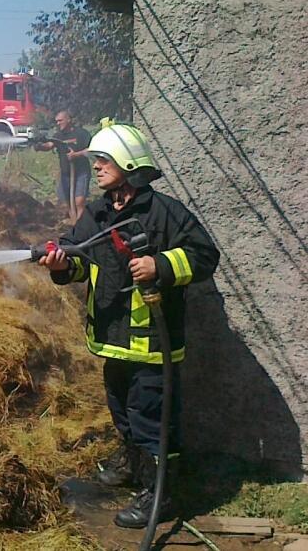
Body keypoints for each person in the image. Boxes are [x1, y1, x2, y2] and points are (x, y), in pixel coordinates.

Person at [37, 123, 220, 528]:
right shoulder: (99, 213)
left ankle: (162, 492)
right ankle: (131, 464)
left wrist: (163, 265)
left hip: (153, 344)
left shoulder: (165, 213)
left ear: (129, 164)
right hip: (113, 339)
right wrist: (63, 265)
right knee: (123, 412)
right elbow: (81, 257)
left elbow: (206, 256)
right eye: (95, 161)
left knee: (151, 419)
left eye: (102, 160)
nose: (97, 167)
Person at [36, 111, 91, 221]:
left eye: (60, 120)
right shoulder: (58, 136)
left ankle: (80, 227)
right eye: (56, 121)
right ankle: (74, 224)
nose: (57, 123)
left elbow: (91, 149)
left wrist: (76, 155)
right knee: (67, 202)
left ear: (68, 120)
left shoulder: (81, 133)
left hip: (81, 173)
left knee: (79, 202)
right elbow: (50, 145)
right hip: (66, 174)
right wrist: (39, 146)